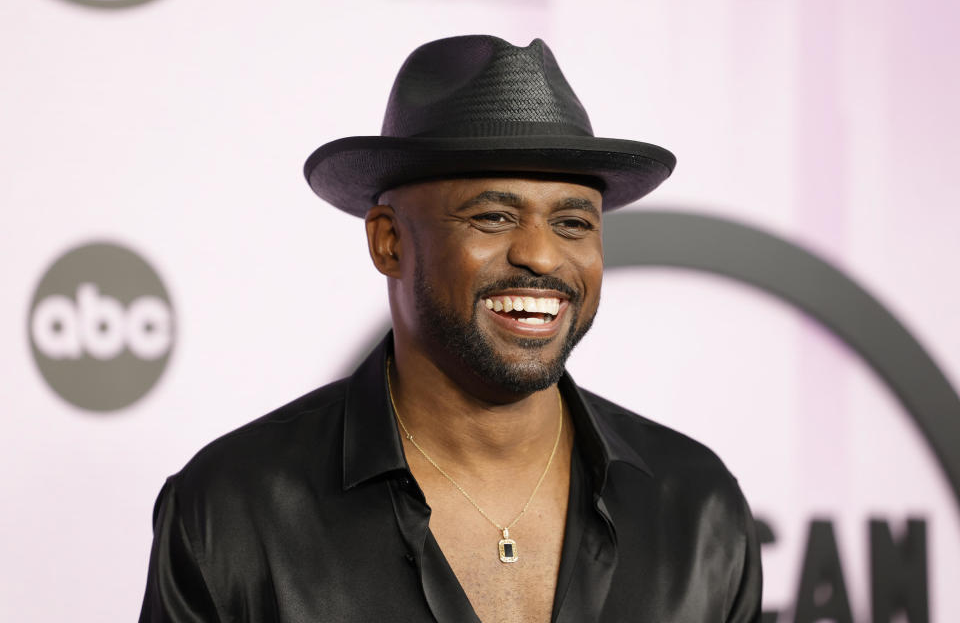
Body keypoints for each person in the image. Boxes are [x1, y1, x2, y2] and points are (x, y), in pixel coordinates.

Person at [139, 35, 762, 623]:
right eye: (492, 217)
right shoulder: (232, 512)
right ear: (389, 242)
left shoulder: (697, 508)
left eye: (573, 224)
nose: (542, 256)